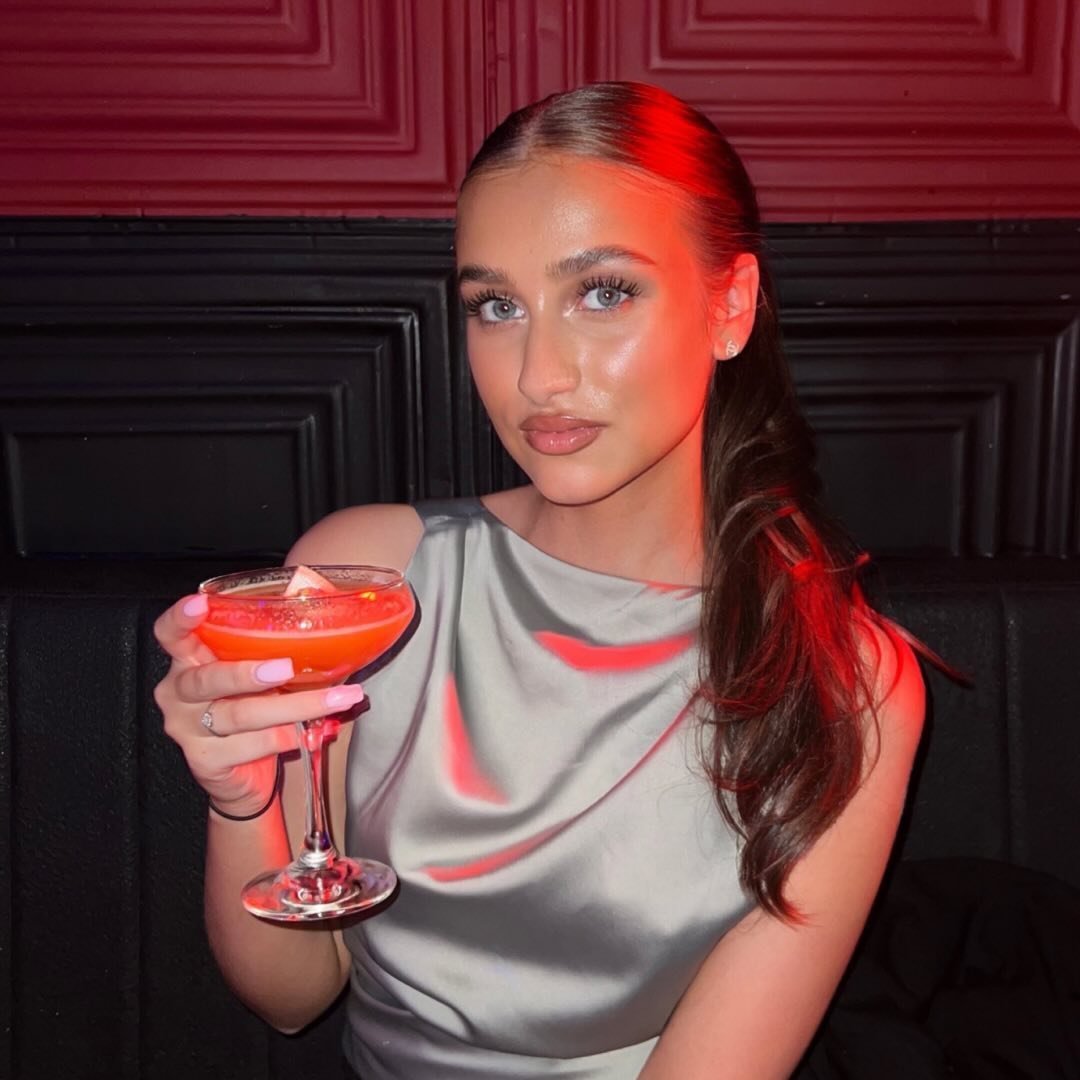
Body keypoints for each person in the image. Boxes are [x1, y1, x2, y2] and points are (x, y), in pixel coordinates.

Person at [153, 82, 926, 1079]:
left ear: (729, 306)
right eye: (497, 306)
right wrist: (241, 798)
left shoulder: (847, 682)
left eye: (603, 292)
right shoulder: (370, 584)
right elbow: (292, 998)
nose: (537, 376)